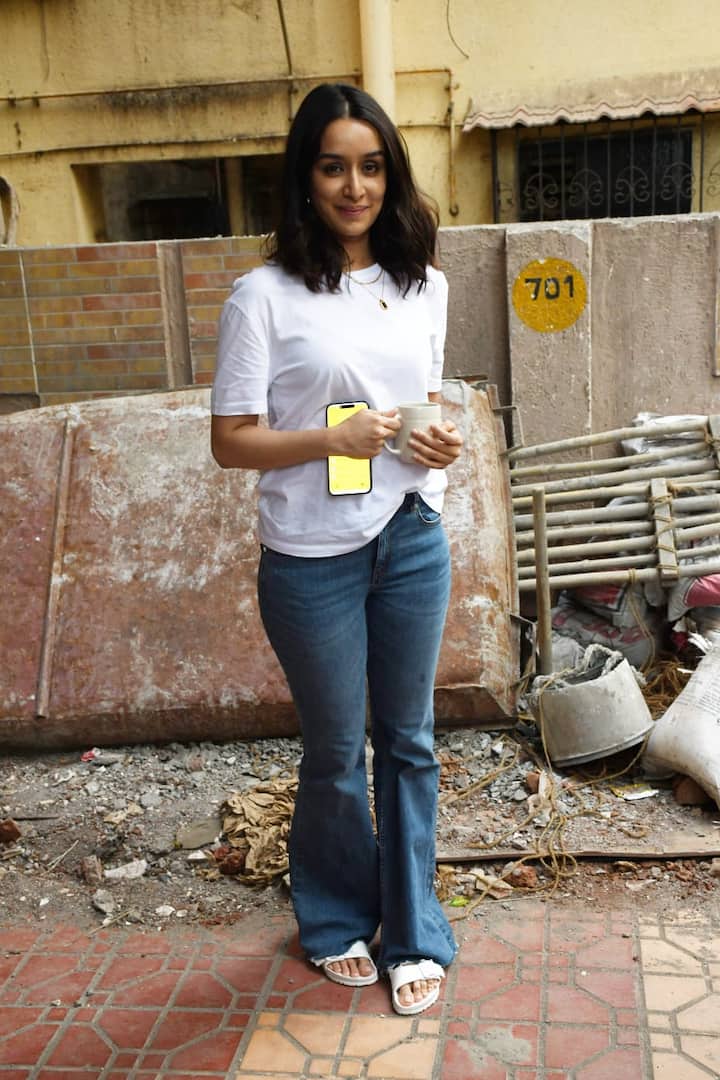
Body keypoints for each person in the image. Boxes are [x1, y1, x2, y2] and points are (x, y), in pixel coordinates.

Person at [210, 82, 463, 1016]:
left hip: (410, 535)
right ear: (305, 179)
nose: (355, 187)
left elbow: (423, 399)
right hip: (311, 556)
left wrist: (433, 442)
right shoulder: (263, 297)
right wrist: (331, 439)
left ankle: (415, 930)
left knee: (409, 741)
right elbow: (230, 440)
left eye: (371, 166)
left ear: (390, 175)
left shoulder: (422, 282)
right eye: (333, 167)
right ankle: (331, 920)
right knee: (332, 750)